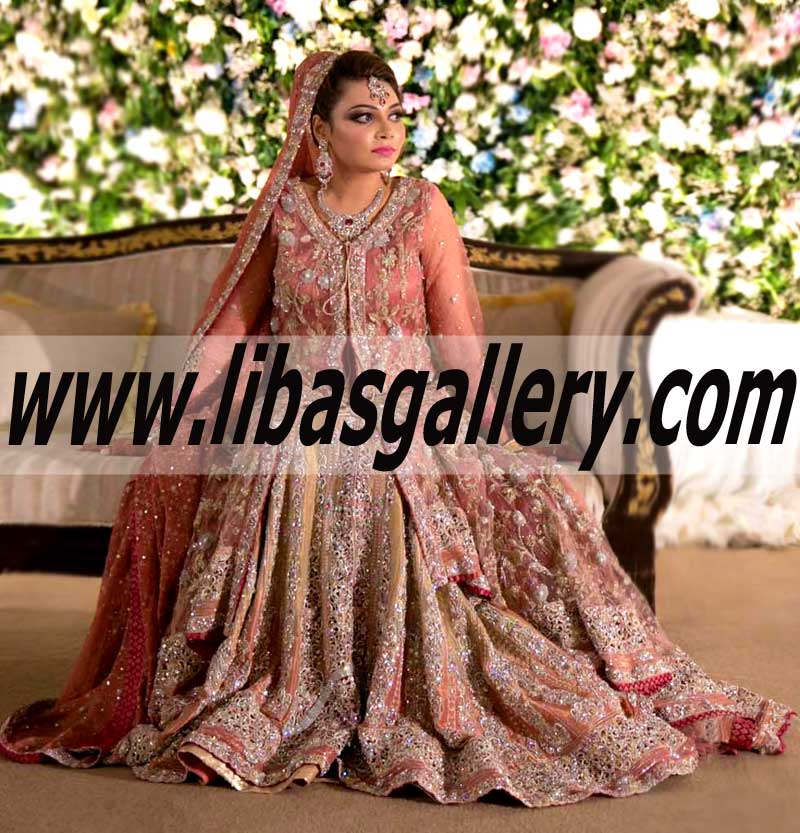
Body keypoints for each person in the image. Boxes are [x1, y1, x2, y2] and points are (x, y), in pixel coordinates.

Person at [0, 49, 794, 808]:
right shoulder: (286, 213)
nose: (387, 130)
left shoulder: (421, 205)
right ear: (318, 131)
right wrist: (173, 420)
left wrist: (487, 432)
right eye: (363, 115)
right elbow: (229, 334)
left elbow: (457, 339)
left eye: (395, 114)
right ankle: (295, 686)